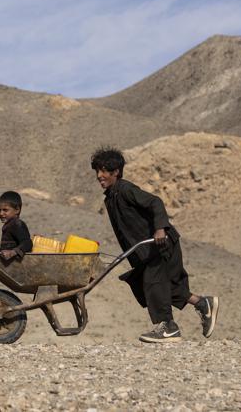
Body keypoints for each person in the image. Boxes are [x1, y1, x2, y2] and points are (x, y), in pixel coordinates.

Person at [91, 146, 219, 343]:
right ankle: (202, 303)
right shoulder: (111, 196)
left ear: (115, 172)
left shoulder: (125, 189)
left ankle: (168, 327)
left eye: (103, 171)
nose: (99, 175)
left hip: (159, 244)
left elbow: (155, 202)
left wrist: (160, 228)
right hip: (146, 250)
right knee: (166, 286)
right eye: (97, 171)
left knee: (154, 283)